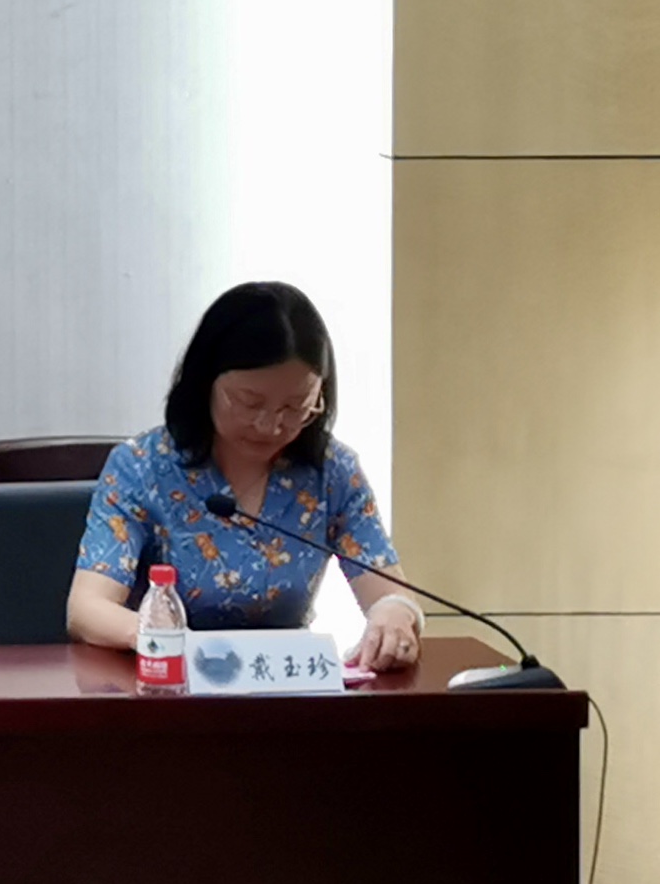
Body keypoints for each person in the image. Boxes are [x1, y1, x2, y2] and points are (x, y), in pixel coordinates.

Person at [65, 280, 418, 670]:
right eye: (250, 402)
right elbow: (88, 608)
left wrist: (395, 616)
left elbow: (390, 595)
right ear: (205, 382)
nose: (270, 426)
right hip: (168, 680)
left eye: (295, 406)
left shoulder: (332, 472)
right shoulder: (142, 466)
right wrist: (168, 640)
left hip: (284, 685)